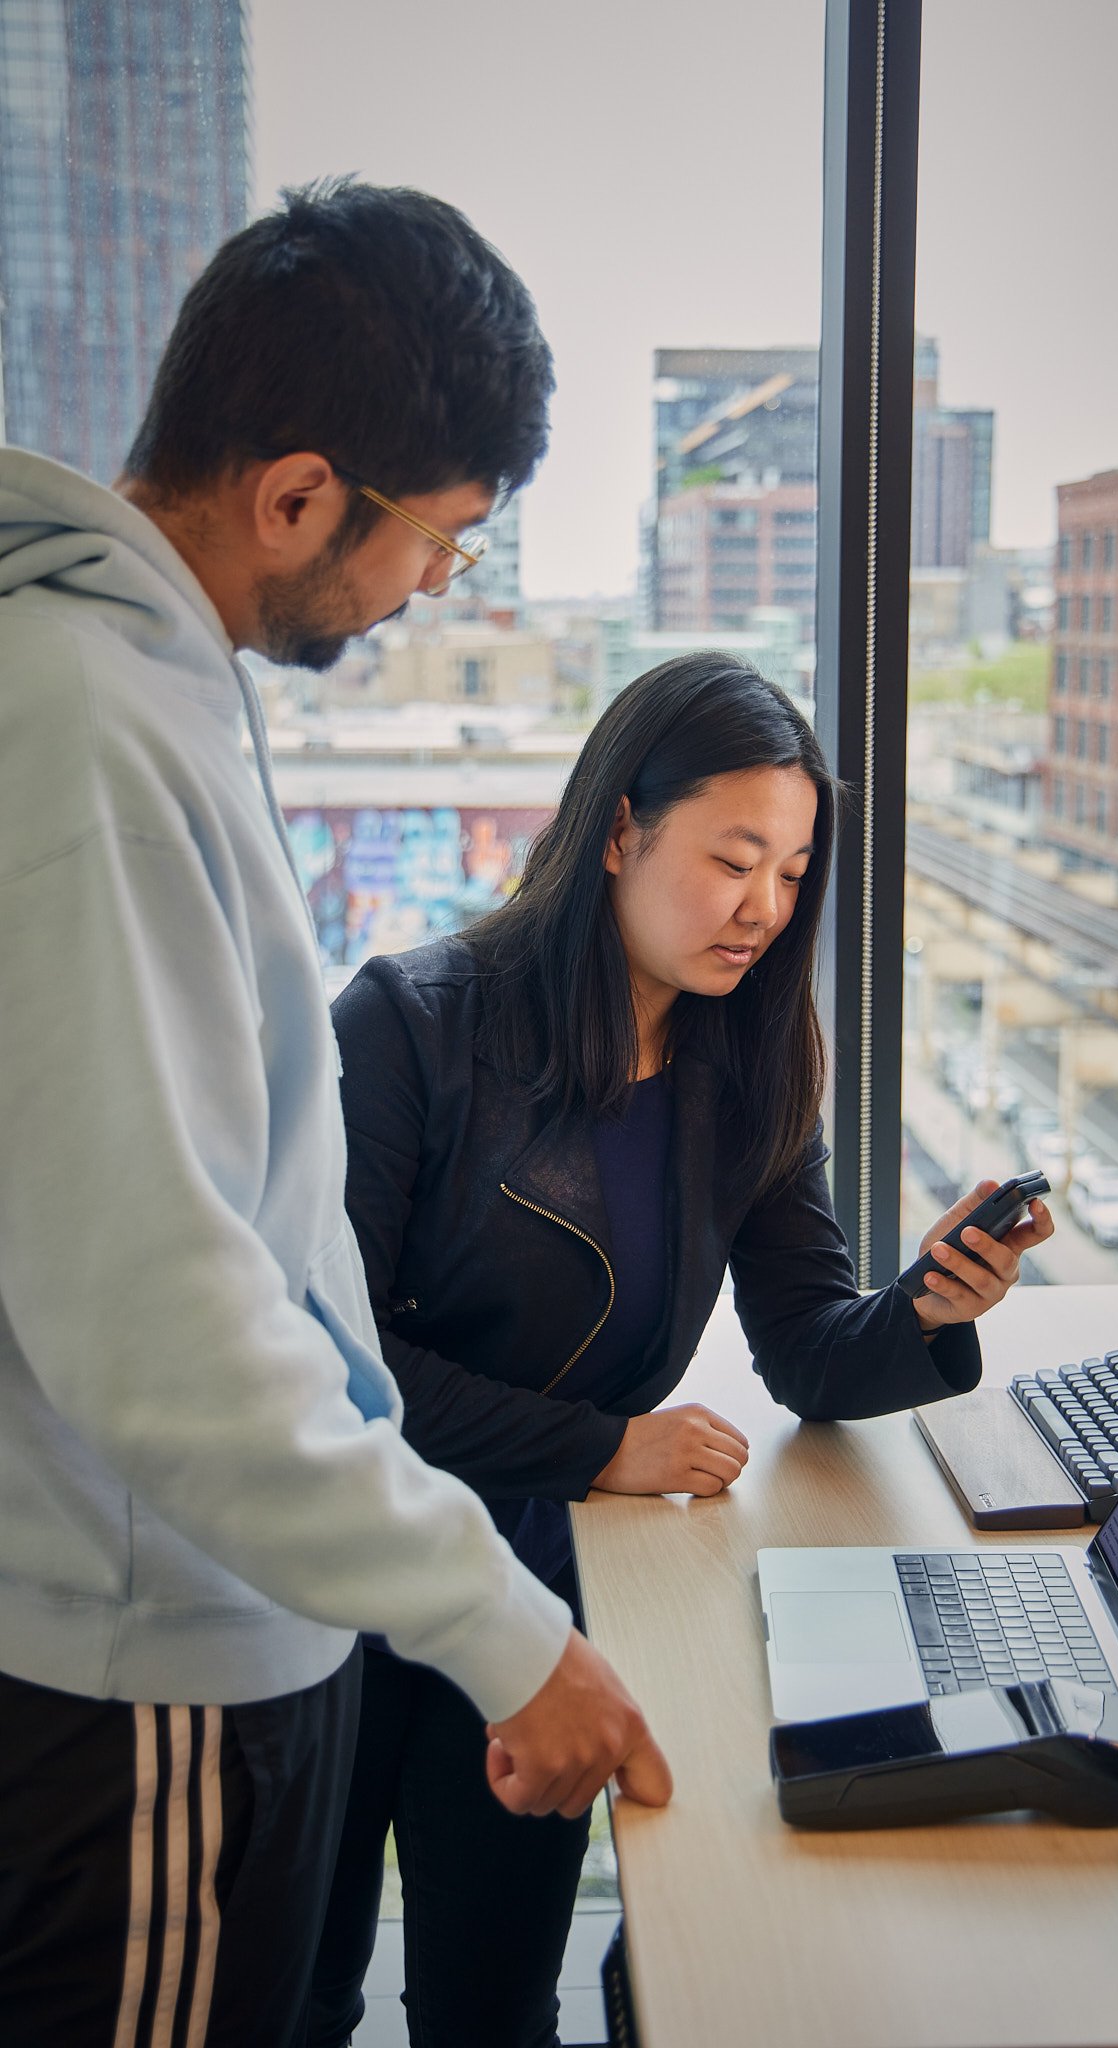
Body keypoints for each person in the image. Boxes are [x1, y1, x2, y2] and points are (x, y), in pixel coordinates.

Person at [0, 179, 669, 2048]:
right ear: (298, 496)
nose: (420, 595)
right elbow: (163, 1312)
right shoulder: (82, 722)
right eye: (435, 548)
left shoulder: (148, 682)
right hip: (146, 1673)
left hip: (219, 1625)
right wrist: (496, 1627)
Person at [309, 652, 1054, 2046]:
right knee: (296, 1992)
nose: (764, 910)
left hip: (542, 1594)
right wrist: (603, 1445)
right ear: (616, 831)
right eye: (730, 860)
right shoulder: (407, 1026)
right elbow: (337, 1374)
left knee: (489, 2003)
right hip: (341, 1571)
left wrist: (931, 1310)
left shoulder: (748, 1067)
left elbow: (812, 1359)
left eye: (789, 871)